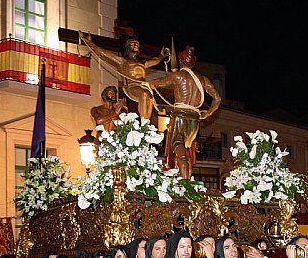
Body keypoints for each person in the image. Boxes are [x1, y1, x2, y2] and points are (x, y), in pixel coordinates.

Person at [149, 46, 222, 179]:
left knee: (179, 148)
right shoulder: (203, 79)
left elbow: (158, 83)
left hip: (180, 116)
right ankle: (186, 178)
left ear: (181, 61)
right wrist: (208, 113)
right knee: (187, 151)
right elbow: (217, 99)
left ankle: (185, 184)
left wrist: (147, 83)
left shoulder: (178, 75)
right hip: (195, 120)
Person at [80, 33, 167, 120]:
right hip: (132, 86)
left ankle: (147, 122)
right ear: (128, 47)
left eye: (137, 45)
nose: (135, 46)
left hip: (143, 85)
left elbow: (155, 61)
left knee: (150, 97)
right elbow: (104, 53)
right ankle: (143, 121)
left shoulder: (142, 63)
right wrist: (90, 43)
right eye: (133, 44)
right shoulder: (123, 61)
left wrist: (161, 56)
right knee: (143, 94)